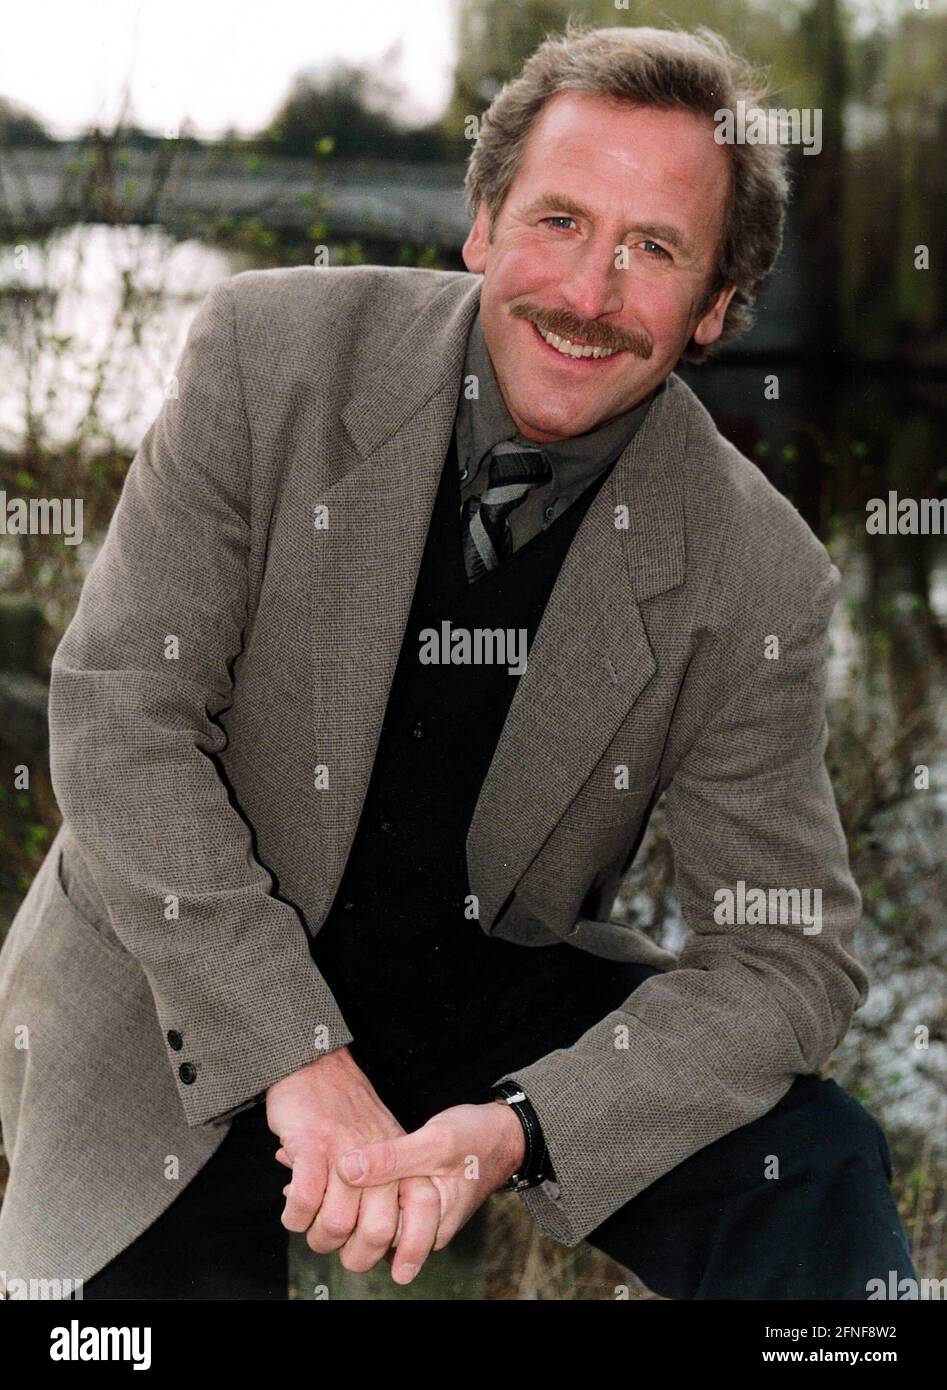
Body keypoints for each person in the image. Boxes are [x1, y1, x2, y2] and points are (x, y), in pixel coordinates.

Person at [0, 24, 916, 1301]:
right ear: (481, 223)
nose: (588, 294)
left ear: (712, 309)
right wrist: (296, 1053)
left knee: (812, 1163)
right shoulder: (266, 361)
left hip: (476, 996)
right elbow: (118, 723)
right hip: (177, 974)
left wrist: (526, 1125)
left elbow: (785, 954)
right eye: (557, 221)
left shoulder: (755, 568)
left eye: (651, 250)